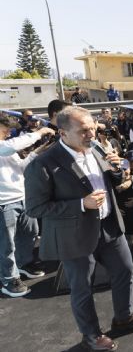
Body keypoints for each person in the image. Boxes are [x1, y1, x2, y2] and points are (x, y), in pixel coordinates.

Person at [25, 106, 133, 352]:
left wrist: (117, 170)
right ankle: (92, 335)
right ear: (63, 133)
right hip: (75, 237)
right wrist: (79, 204)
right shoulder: (42, 164)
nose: (92, 135)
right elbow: (35, 208)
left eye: (93, 129)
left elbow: (113, 183)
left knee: (125, 270)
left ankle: (123, 317)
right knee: (82, 287)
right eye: (84, 130)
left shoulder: (97, 149)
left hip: (109, 226)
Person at [0, 116, 54, 297]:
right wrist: (39, 133)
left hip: (22, 198)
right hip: (4, 203)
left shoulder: (7, 148)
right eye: (5, 128)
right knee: (6, 245)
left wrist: (36, 153)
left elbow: (20, 169)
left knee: (30, 233)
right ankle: (8, 279)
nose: (8, 132)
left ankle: (23, 263)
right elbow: (11, 146)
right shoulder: (6, 147)